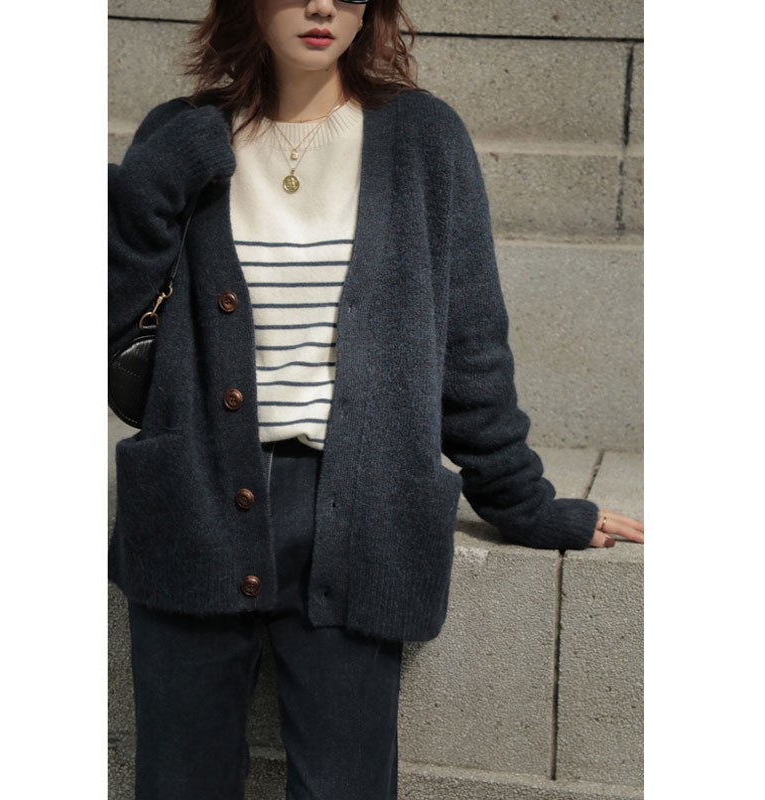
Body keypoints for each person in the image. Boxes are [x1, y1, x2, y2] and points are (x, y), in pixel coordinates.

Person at [108, 1, 644, 798]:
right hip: (192, 505)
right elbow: (109, 327)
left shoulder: (424, 139)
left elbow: (470, 344)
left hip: (359, 519)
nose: (323, 4)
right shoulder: (180, 134)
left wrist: (523, 502)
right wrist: (148, 192)